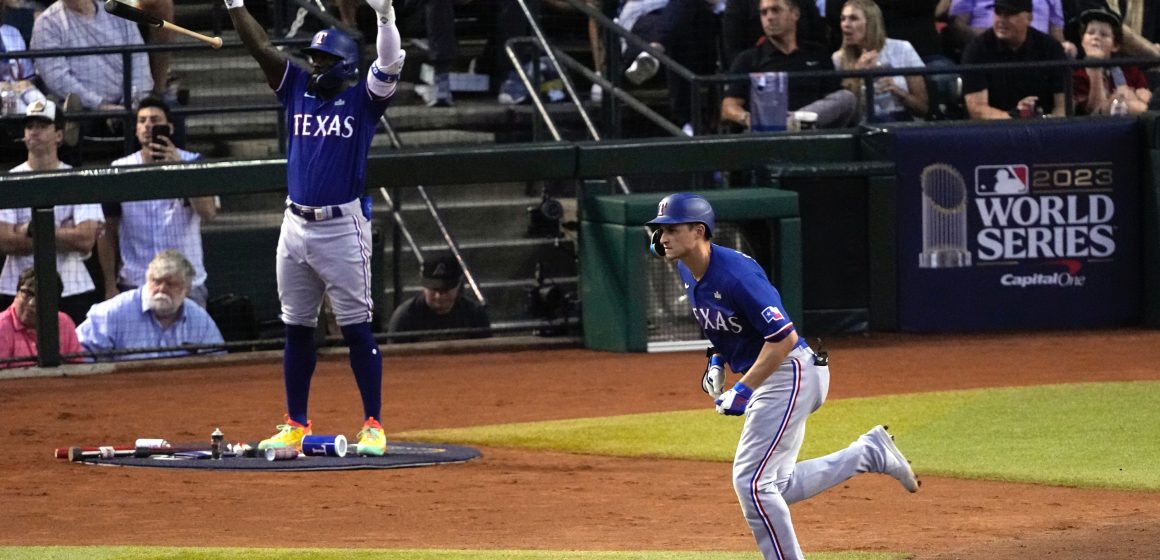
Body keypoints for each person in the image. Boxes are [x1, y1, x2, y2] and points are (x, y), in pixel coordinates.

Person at [645, 192, 919, 560]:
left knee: (751, 484)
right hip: (776, 375)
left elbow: (783, 337)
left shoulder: (735, 274)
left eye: (671, 229)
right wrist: (716, 360)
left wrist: (742, 389)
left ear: (699, 231)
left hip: (790, 372)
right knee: (775, 485)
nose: (663, 237)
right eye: (660, 230)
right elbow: (729, 328)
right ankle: (868, 453)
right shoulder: (686, 268)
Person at [225, 0, 406, 456]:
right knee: (297, 327)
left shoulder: (363, 99)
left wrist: (385, 17)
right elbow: (262, 48)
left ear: (344, 66)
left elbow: (390, 61)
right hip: (295, 224)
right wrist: (235, 6)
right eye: (315, 58)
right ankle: (296, 423)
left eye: (326, 60)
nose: (316, 65)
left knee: (356, 327)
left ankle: (373, 425)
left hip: (342, 228)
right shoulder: (298, 88)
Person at [98, 96, 218, 307]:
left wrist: (181, 170)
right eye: (142, 121)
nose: (147, 126)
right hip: (136, 283)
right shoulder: (119, 168)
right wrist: (109, 284)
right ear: (135, 129)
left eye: (154, 120)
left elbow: (208, 212)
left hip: (185, 283)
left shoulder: (194, 162)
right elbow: (107, 230)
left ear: (169, 127)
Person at [0, 100, 103, 326]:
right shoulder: (8, 180)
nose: (34, 132)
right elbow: (4, 241)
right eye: (30, 126)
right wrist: (63, 232)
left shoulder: (79, 180)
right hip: (15, 288)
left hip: (72, 287)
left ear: (59, 134)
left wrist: (27, 230)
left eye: (42, 125)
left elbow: (85, 239)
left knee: (72, 352)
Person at [721, 0, 857, 130]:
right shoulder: (748, 59)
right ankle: (784, 124)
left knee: (846, 97)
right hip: (768, 134)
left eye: (776, 10)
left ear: (795, 14)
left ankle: (790, 122)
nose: (769, 17)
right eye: (764, 13)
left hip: (812, 132)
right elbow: (728, 107)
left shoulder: (817, 54)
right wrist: (748, 119)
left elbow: (833, 102)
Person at [76, 249, 224, 361]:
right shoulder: (115, 311)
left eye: (171, 284)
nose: (162, 289)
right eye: (156, 281)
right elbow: (79, 352)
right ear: (147, 279)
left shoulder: (200, 320)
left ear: (187, 290)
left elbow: (217, 361)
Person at [31, 0, 153, 116]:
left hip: (132, 107)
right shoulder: (46, 23)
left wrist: (130, 103)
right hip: (84, 112)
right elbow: (57, 78)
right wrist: (100, 105)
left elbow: (139, 60)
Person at [961, 0, 1068, 119]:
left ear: (1029, 18)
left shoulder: (1051, 47)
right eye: (998, 12)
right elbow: (977, 110)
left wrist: (1050, 124)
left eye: (1009, 14)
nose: (1001, 20)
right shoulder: (977, 49)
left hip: (1045, 129)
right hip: (996, 131)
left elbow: (1064, 105)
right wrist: (1014, 118)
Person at [832, 0, 928, 122]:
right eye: (843, 19)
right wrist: (857, 76)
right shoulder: (838, 58)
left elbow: (923, 109)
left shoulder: (903, 48)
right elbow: (842, 113)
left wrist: (897, 91)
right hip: (864, 125)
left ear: (871, 23)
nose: (846, 24)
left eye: (853, 18)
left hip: (902, 122)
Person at [387, 254, 491, 343]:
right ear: (423, 286)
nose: (439, 296)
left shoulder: (475, 315)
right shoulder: (405, 317)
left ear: (458, 285)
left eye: (446, 290)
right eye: (433, 289)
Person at [1072, 8, 1152, 114]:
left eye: (1104, 34)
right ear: (1082, 41)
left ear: (1115, 45)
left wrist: (1143, 97)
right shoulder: (1077, 75)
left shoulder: (1131, 71)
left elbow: (1147, 97)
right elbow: (1094, 110)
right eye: (1091, 33)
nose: (1096, 37)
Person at [0, 268, 83, 368]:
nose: (32, 303)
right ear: (17, 294)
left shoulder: (64, 323)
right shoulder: (2, 326)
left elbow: (77, 368)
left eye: (41, 298)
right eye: (28, 294)